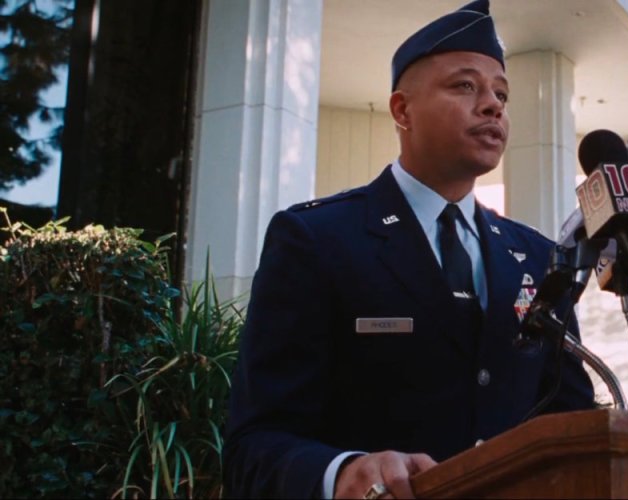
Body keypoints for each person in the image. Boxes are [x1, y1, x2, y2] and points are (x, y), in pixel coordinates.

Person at [222, 1, 596, 498]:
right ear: (402, 110)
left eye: (501, 94)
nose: (493, 106)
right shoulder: (317, 239)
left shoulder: (538, 256)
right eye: (465, 86)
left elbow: (571, 427)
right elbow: (254, 444)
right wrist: (344, 472)